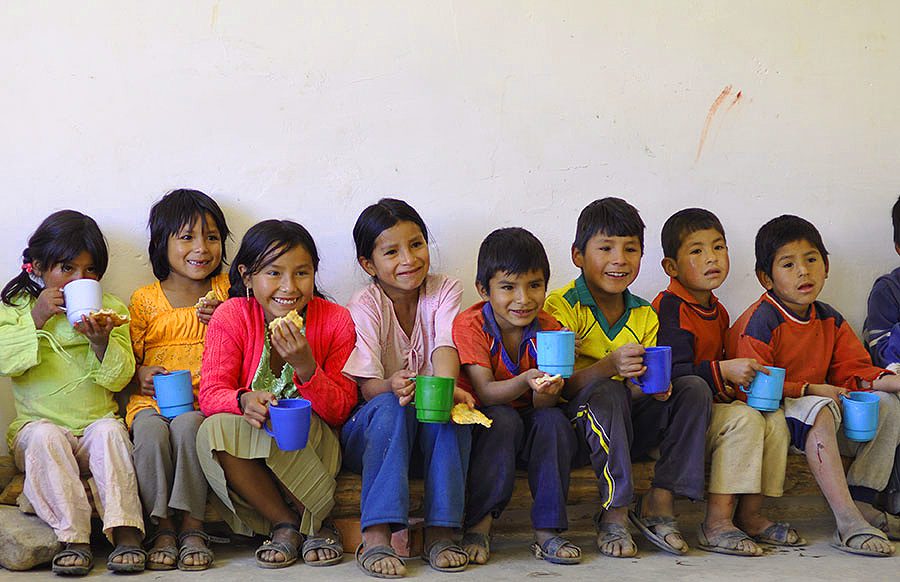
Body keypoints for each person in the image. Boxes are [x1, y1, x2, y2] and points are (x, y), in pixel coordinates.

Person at [545, 197, 711, 558]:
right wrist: (609, 366)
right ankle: (615, 512)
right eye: (606, 248)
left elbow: (633, 392)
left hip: (627, 426)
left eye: (631, 249)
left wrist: (650, 389)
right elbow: (557, 389)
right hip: (578, 428)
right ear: (578, 255)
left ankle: (660, 502)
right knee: (607, 391)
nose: (620, 259)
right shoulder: (561, 306)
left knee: (693, 388)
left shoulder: (644, 314)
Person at [728, 214, 900, 557]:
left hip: (819, 416)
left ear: (826, 266)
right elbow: (751, 387)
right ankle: (846, 519)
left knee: (886, 402)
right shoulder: (762, 320)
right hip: (775, 417)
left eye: (811, 260)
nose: (803, 272)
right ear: (766, 278)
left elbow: (855, 369)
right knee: (819, 408)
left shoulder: (828, 317)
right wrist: (808, 390)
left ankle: (863, 502)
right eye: (788, 264)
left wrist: (892, 382)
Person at [196, 219, 357, 569]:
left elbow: (342, 409)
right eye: (274, 273)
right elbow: (211, 393)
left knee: (291, 423)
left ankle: (315, 520)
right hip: (252, 445)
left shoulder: (336, 320)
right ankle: (286, 523)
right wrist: (243, 400)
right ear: (247, 276)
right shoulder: (231, 316)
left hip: (313, 442)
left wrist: (307, 368)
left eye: (302, 273)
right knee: (213, 428)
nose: (289, 287)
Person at [0, 210, 145, 575]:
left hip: (95, 426)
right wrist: (36, 318)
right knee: (45, 436)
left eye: (90, 270)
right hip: (39, 429)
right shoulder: (16, 309)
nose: (80, 280)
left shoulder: (111, 311)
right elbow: (5, 361)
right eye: (67, 268)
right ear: (37, 267)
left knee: (111, 431)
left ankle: (126, 531)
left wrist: (101, 343)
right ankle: (74, 538)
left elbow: (121, 377)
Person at [341, 198, 474, 577]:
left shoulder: (444, 289)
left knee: (450, 411)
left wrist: (444, 388)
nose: (409, 259)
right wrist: (391, 384)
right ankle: (376, 535)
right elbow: (368, 389)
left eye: (416, 244)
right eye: (391, 252)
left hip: (426, 436)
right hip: (374, 435)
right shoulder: (365, 304)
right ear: (368, 265)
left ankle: (441, 532)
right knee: (391, 406)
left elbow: (445, 345)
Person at [653, 208, 796, 557]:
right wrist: (723, 371)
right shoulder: (670, 307)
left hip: (710, 411)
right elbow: (675, 374)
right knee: (744, 419)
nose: (711, 258)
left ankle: (750, 515)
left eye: (718, 247)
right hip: (676, 421)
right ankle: (716, 523)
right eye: (697, 250)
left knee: (773, 420)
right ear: (671, 267)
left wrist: (733, 383)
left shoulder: (717, 311)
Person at [454, 227, 579, 565]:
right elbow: (485, 391)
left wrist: (547, 391)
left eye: (534, 285)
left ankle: (548, 531)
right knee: (503, 419)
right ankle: (479, 525)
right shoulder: (471, 324)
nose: (523, 299)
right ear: (484, 290)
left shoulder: (550, 329)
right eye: (508, 287)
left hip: (532, 417)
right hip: (488, 420)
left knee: (553, 421)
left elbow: (544, 403)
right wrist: (526, 379)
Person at [126, 189, 230, 570]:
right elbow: (127, 360)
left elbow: (250, 340)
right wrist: (139, 374)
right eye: (187, 237)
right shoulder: (145, 299)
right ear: (161, 244)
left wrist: (226, 318)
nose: (201, 248)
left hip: (204, 402)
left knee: (189, 428)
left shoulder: (227, 292)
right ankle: (162, 527)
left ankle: (192, 525)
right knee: (150, 433)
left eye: (212, 237)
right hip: (152, 402)